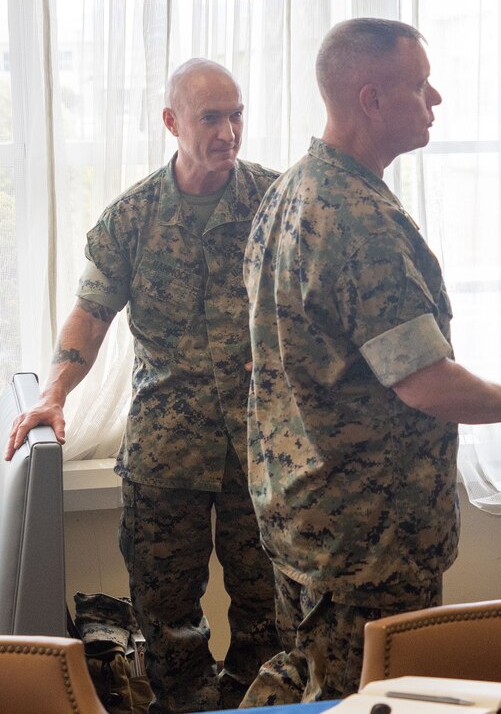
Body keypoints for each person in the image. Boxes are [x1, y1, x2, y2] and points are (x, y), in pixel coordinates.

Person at [242, 18, 501, 705]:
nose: (437, 99)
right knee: (368, 697)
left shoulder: (291, 190)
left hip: (304, 510)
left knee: (311, 681)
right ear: (371, 99)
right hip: (365, 538)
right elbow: (425, 382)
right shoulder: (358, 219)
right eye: (419, 86)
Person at [4, 59, 279, 711]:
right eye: (211, 116)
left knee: (270, 618)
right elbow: (91, 313)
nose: (228, 130)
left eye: (236, 113)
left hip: (264, 451)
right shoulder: (133, 217)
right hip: (167, 454)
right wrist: (55, 392)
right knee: (167, 624)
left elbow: (320, 305)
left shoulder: (277, 200)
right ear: (171, 121)